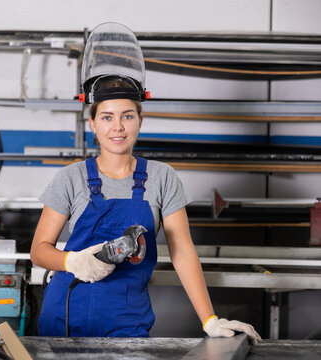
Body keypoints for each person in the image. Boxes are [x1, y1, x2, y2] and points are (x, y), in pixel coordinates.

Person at [30, 22, 261, 342]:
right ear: (93, 124)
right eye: (107, 117)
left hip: (127, 318)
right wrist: (74, 260)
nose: (118, 127)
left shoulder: (162, 178)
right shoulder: (71, 177)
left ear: (140, 120)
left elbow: (182, 252)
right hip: (65, 312)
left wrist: (209, 319)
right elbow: (39, 251)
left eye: (127, 115)